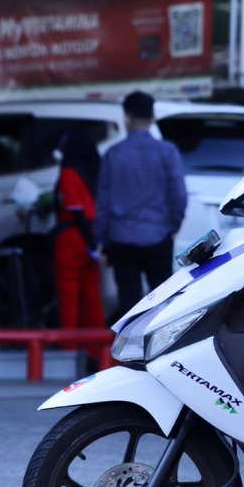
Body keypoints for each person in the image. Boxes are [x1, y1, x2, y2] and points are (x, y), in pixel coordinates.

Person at [95, 91, 188, 319]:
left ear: (127, 117)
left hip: (121, 238)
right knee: (162, 299)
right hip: (159, 234)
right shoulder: (167, 152)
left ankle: (128, 352)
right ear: (153, 116)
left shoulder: (113, 154)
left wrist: (102, 239)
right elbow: (179, 195)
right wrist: (173, 225)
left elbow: (103, 203)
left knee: (128, 300)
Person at [51, 131, 105, 369]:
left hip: (72, 238)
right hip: (92, 236)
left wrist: (87, 241)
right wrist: (93, 243)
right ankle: (97, 349)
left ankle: (70, 348)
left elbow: (75, 210)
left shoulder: (69, 173)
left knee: (69, 295)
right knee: (92, 296)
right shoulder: (94, 173)